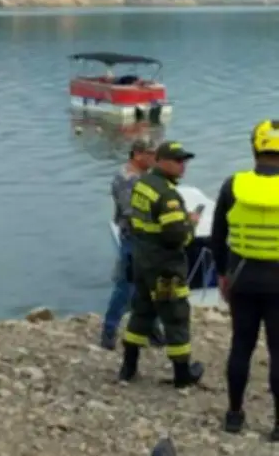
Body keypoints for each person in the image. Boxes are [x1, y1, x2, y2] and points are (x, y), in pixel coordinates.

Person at [212, 120, 279, 437]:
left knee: (241, 345)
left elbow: (217, 237)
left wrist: (223, 275)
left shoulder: (232, 185)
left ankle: (234, 415)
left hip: (242, 279)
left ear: (254, 147)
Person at [119, 140, 204, 388]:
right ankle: (182, 374)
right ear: (161, 161)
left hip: (142, 261)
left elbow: (140, 222)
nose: (183, 166)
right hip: (165, 267)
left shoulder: (143, 184)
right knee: (176, 317)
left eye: (184, 161)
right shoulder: (168, 195)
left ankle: (128, 367)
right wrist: (191, 224)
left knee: (141, 312)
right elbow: (178, 237)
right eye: (178, 161)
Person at [100, 138, 165, 350]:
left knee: (147, 287)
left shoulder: (144, 177)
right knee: (125, 287)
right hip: (134, 240)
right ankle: (109, 331)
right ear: (138, 155)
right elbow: (131, 212)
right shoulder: (127, 179)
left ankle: (152, 330)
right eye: (151, 154)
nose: (155, 159)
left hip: (145, 241)